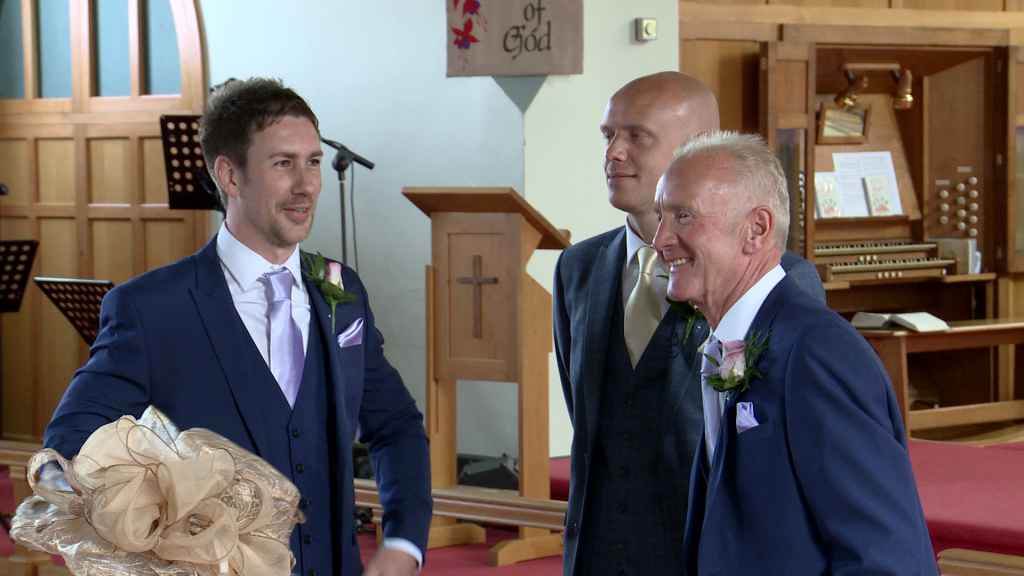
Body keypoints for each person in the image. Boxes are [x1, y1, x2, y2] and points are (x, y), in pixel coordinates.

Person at [43, 78, 431, 576]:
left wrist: (404, 542)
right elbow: (66, 448)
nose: (307, 184)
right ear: (230, 174)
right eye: (283, 163)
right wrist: (150, 527)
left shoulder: (341, 290)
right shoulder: (152, 308)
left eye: (312, 161)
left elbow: (396, 424)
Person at [552, 71, 825, 576]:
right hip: (596, 553)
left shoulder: (773, 279)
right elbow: (586, 422)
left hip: (704, 553)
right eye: (608, 135)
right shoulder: (578, 268)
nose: (613, 153)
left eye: (636, 136)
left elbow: (781, 444)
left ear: (699, 148)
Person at [653, 131, 937, 575]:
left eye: (683, 216)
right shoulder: (729, 343)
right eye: (661, 217)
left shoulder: (817, 351)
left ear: (756, 229)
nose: (661, 240)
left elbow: (885, 552)